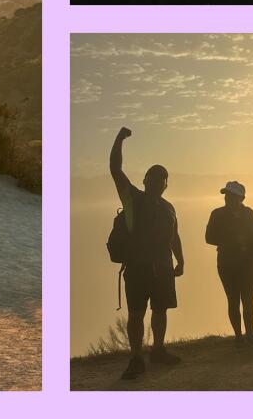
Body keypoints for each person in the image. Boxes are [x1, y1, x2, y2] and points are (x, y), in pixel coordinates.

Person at [109, 126, 184, 380]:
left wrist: (181, 260)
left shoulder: (169, 208)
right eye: (152, 178)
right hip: (138, 267)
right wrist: (119, 139)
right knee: (137, 314)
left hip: (163, 267)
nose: (156, 181)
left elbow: (174, 236)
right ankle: (136, 358)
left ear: (166, 184)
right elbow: (115, 170)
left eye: (161, 178)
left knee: (160, 310)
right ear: (144, 181)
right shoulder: (132, 198)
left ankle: (158, 350)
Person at [205, 181, 253, 347]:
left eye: (232, 195)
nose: (228, 198)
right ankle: (239, 337)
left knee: (247, 300)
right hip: (227, 263)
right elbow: (209, 237)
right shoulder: (217, 214)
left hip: (246, 262)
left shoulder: (248, 214)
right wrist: (233, 240)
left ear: (241, 198)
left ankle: (249, 335)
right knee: (233, 300)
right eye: (227, 195)